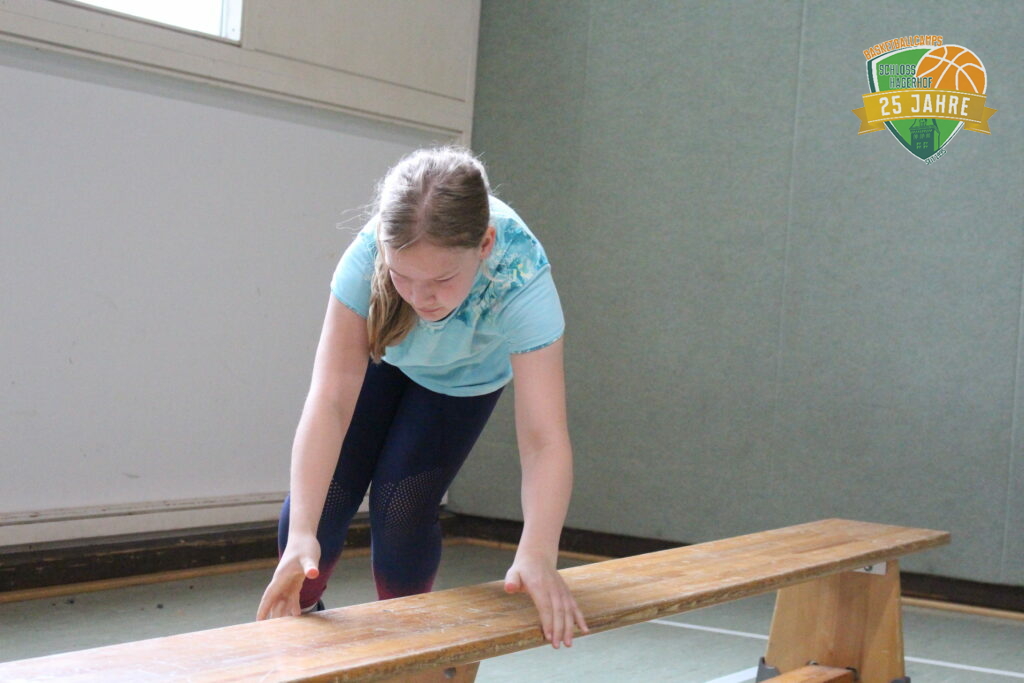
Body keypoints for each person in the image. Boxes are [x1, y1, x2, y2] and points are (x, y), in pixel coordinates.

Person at [256, 146, 588, 648]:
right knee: (325, 502)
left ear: (485, 244)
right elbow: (330, 401)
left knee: (402, 507)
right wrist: (301, 533)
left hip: (461, 381)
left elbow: (544, 438)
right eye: (402, 277)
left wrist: (538, 552)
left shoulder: (521, 275)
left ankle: (404, 645)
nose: (419, 297)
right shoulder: (365, 257)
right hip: (384, 357)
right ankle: (300, 617)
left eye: (441, 280)